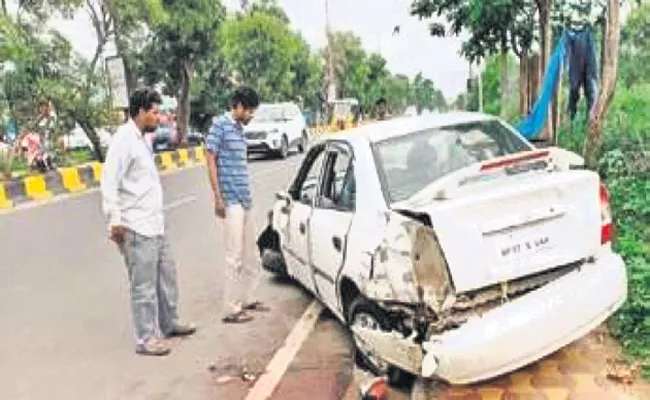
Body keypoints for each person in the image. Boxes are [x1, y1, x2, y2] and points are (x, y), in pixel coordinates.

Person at [101, 87, 196, 356]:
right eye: (154, 112)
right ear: (141, 112)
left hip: (155, 223)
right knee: (143, 286)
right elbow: (109, 181)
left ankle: (170, 322)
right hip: (135, 225)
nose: (159, 116)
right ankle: (145, 338)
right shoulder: (123, 140)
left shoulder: (144, 139)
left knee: (167, 275)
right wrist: (115, 221)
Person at [205, 86, 269, 324]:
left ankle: (248, 298)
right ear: (239, 106)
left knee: (252, 254)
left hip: (244, 200)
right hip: (230, 201)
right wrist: (217, 197)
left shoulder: (239, 130)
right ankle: (231, 309)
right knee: (234, 256)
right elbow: (210, 159)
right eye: (250, 110)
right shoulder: (220, 126)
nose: (251, 115)